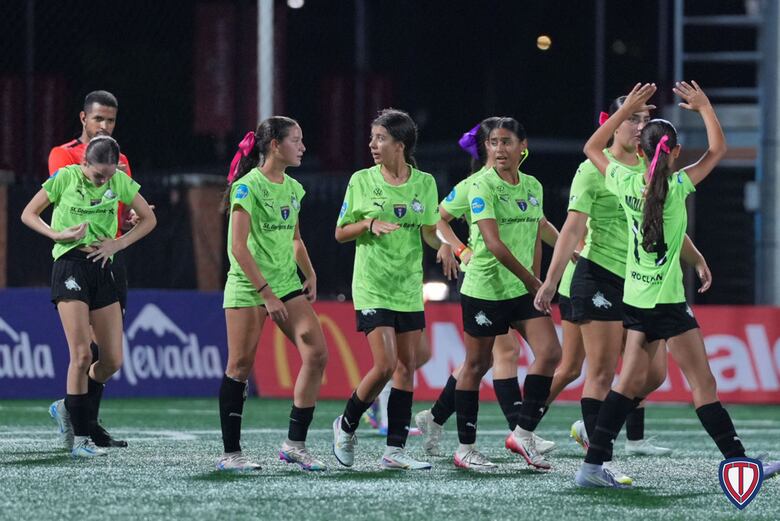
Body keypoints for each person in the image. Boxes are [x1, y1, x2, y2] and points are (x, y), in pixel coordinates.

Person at [573, 81, 780, 487]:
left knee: (628, 384)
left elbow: (592, 147)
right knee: (702, 383)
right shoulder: (679, 186)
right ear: (675, 152)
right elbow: (718, 150)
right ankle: (739, 463)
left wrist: (624, 111)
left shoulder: (625, 182)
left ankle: (591, 467)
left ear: (642, 151)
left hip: (636, 299)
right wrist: (704, 107)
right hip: (667, 303)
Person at [535, 96, 714, 483]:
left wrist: (696, 257)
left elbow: (669, 226)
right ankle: (564, 444)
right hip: (598, 275)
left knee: (652, 376)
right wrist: (550, 279)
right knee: (593, 371)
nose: (639, 126)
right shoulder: (598, 169)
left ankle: (595, 429)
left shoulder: (647, 172)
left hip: (637, 286)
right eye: (632, 118)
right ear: (614, 123)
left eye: (645, 119)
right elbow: (572, 228)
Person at [415, 118, 556, 457]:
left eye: (505, 142)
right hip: (486, 283)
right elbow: (436, 219)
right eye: (493, 143)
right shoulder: (475, 185)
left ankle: (442, 418)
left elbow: (538, 229)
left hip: (519, 284)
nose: (498, 149)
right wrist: (456, 248)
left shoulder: (530, 186)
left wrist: (552, 267)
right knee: (493, 358)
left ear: (522, 146)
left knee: (508, 356)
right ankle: (507, 432)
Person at [21, 135, 156, 458]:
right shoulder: (65, 178)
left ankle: (68, 406)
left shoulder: (119, 180)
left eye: (108, 176)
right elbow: (28, 213)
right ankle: (81, 438)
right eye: (98, 175)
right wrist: (57, 234)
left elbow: (149, 219)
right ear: (84, 163)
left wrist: (118, 243)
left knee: (112, 361)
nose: (103, 182)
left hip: (103, 267)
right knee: (81, 355)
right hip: (70, 265)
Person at [217, 117, 328, 472]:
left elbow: (295, 238)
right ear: (275, 145)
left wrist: (309, 272)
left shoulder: (294, 188)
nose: (303, 147)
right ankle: (231, 455)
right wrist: (265, 293)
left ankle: (295, 445)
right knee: (239, 367)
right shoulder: (247, 187)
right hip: (250, 285)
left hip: (286, 284)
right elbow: (238, 247)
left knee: (317, 354)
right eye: (296, 140)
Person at [332, 108, 440, 470]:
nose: (372, 144)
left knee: (406, 368)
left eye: (380, 138)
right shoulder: (361, 180)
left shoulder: (424, 183)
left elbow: (429, 230)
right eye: (372, 138)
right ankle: (346, 424)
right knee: (384, 365)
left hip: (407, 286)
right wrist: (368, 223)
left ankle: (395, 451)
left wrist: (446, 247)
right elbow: (340, 232)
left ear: (400, 144)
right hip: (372, 285)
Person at [47, 90, 135, 449]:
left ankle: (81, 415)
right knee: (85, 351)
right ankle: (83, 426)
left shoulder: (120, 159)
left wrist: (128, 222)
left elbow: (119, 209)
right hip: (75, 259)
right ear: (83, 118)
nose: (104, 125)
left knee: (108, 354)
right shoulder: (65, 156)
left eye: (110, 120)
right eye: (99, 118)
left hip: (109, 258)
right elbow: (72, 199)